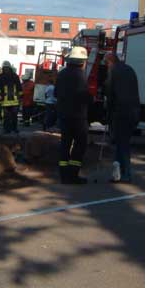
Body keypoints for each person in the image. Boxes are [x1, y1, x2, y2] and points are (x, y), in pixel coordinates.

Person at [55, 46, 91, 184]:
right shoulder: (81, 76)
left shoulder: (62, 74)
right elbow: (83, 96)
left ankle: (64, 175)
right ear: (82, 62)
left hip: (64, 116)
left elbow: (56, 93)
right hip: (78, 117)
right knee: (80, 144)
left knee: (65, 144)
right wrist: (91, 99)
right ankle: (73, 175)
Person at [104, 53, 140, 182]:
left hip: (121, 112)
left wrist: (107, 112)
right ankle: (118, 173)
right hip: (134, 111)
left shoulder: (113, 72)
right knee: (121, 142)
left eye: (106, 63)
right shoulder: (129, 69)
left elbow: (109, 93)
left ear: (110, 62)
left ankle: (126, 174)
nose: (106, 66)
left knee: (122, 144)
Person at [0, 61, 22, 134]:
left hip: (14, 100)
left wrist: (20, 97)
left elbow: (19, 87)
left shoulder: (15, 76)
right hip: (5, 100)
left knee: (14, 116)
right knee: (6, 116)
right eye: (5, 68)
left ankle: (14, 128)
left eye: (7, 68)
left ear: (9, 68)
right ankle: (7, 129)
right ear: (3, 68)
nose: (6, 69)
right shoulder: (1, 76)